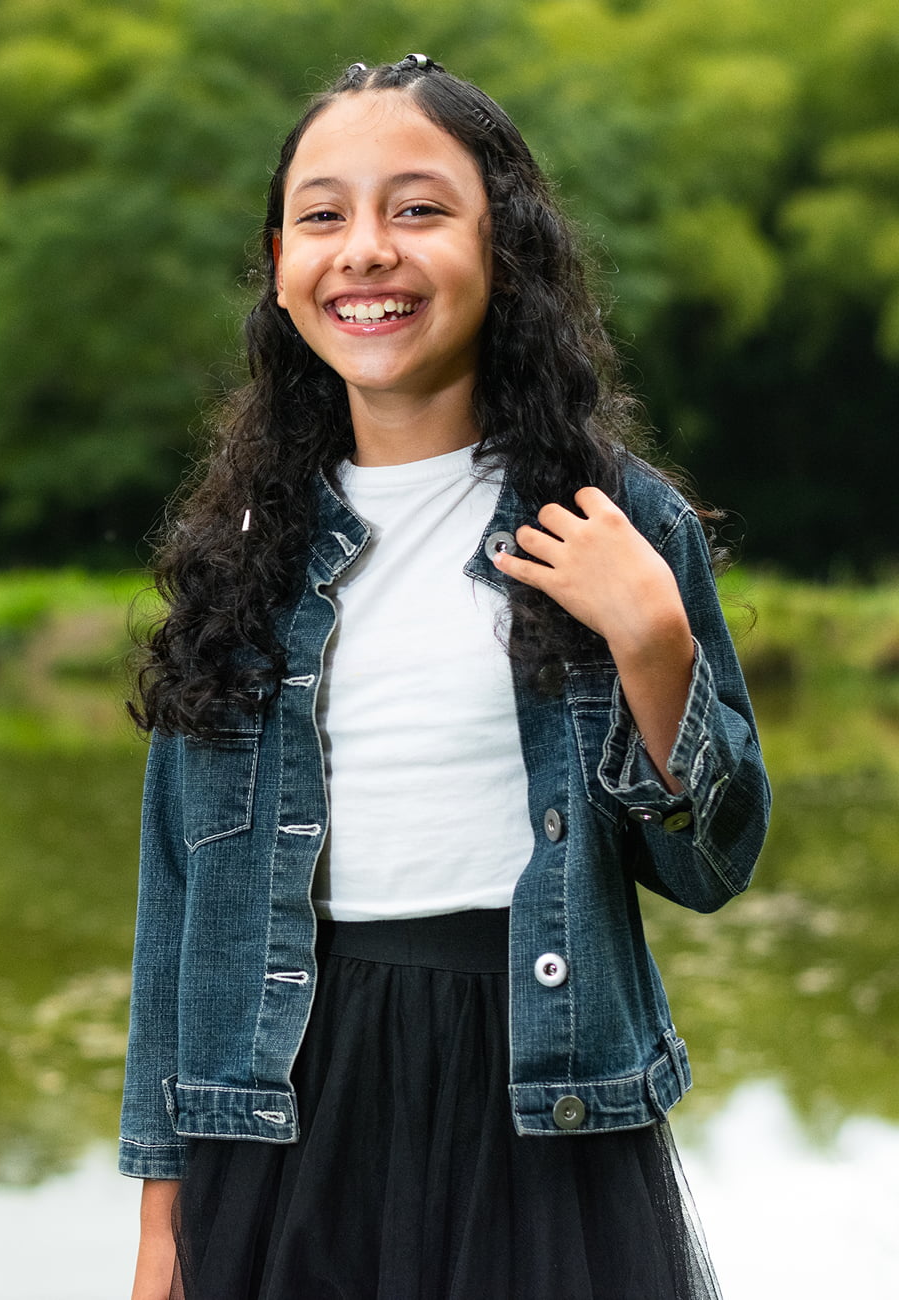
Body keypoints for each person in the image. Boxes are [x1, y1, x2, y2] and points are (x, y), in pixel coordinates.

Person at [120, 54, 770, 1300]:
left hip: (540, 1103)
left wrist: (656, 646)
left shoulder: (615, 522)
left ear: (505, 247)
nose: (365, 250)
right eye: (324, 215)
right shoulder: (243, 548)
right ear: (279, 264)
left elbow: (712, 864)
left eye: (417, 209)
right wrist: (162, 1219)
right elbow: (177, 907)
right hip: (279, 1104)